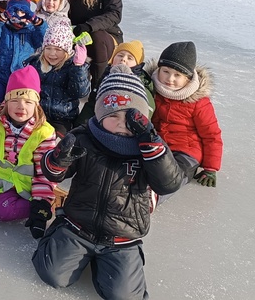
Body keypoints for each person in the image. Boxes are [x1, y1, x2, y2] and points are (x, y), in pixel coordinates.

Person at [31, 65, 184, 298]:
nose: (122, 123)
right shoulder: (84, 138)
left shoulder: (149, 149)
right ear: (100, 116)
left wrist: (151, 143)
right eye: (113, 115)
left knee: (124, 296)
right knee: (51, 274)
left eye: (130, 117)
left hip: (122, 237)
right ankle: (61, 235)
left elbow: (169, 184)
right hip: (78, 227)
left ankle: (108, 265)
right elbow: (54, 174)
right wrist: (58, 158)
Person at [0, 66, 58, 238]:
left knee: (2, 210)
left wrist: (40, 206)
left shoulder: (43, 133)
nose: (21, 107)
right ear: (6, 102)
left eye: (28, 102)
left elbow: (44, 173)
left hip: (23, 188)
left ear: (36, 105)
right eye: (15, 100)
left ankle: (36, 206)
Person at [150, 41, 223, 190]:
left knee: (172, 177)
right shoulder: (151, 89)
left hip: (186, 151)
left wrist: (210, 168)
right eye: (165, 71)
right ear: (158, 69)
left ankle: (154, 196)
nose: (170, 79)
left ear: (188, 78)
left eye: (177, 75)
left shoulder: (198, 102)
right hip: (156, 145)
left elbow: (211, 135)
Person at [65, 0, 123, 91]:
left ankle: (98, 88)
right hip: (78, 34)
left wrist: (89, 26)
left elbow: (114, 14)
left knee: (97, 37)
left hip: (106, 36)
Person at [26, 19, 90, 137]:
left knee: (57, 142)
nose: (52, 53)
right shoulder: (36, 64)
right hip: (37, 114)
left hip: (62, 118)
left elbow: (79, 93)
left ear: (67, 51)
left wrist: (78, 67)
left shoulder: (72, 67)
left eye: (58, 49)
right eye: (48, 48)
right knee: (30, 138)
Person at [0, 0, 47, 106]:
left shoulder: (31, 30)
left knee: (17, 103)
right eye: (15, 10)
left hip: (21, 76)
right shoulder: (4, 28)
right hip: (0, 74)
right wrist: (3, 16)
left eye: (22, 11)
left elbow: (43, 38)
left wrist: (36, 21)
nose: (18, 14)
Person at [77, 39, 155, 125]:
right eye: (120, 55)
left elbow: (145, 115)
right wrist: (81, 125)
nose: (123, 59)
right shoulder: (105, 77)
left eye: (130, 58)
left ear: (138, 65)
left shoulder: (142, 84)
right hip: (99, 123)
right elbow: (92, 105)